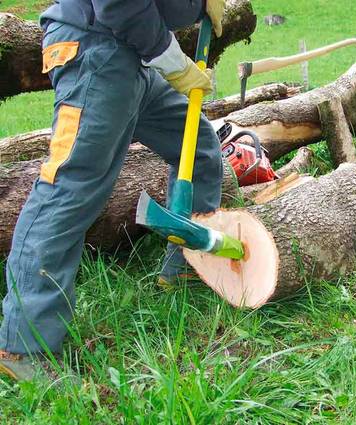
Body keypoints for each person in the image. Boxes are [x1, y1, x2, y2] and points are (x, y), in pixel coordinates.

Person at [0, 0, 225, 382]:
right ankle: (23, 345)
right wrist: (172, 59)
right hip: (96, 51)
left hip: (131, 55)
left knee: (199, 146)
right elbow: (118, 4)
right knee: (69, 187)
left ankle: (187, 267)